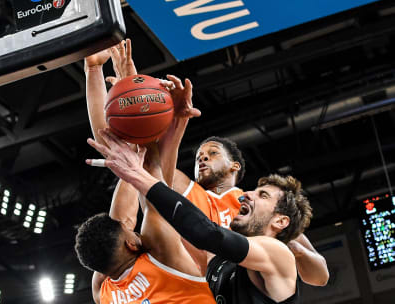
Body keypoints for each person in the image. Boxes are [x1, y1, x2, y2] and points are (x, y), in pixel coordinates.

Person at [84, 39, 329, 286]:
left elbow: (320, 277)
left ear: (235, 166)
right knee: (128, 187)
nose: (202, 158)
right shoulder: (188, 191)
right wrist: (129, 88)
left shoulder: (256, 209)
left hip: (231, 290)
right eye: (200, 154)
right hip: (186, 283)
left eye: (212, 153)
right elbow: (140, 157)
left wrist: (289, 243)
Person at [86, 129, 313, 304]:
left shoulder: (278, 254)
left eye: (262, 195)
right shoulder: (217, 262)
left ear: (280, 221)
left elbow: (206, 233)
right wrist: (167, 122)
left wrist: (137, 174)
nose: (247, 195)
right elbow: (146, 213)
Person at [75, 144, 216, 304]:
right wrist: (140, 141)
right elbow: (153, 178)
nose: (135, 232)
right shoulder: (160, 254)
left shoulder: (102, 293)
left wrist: (129, 164)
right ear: (131, 245)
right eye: (131, 232)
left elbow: (121, 224)